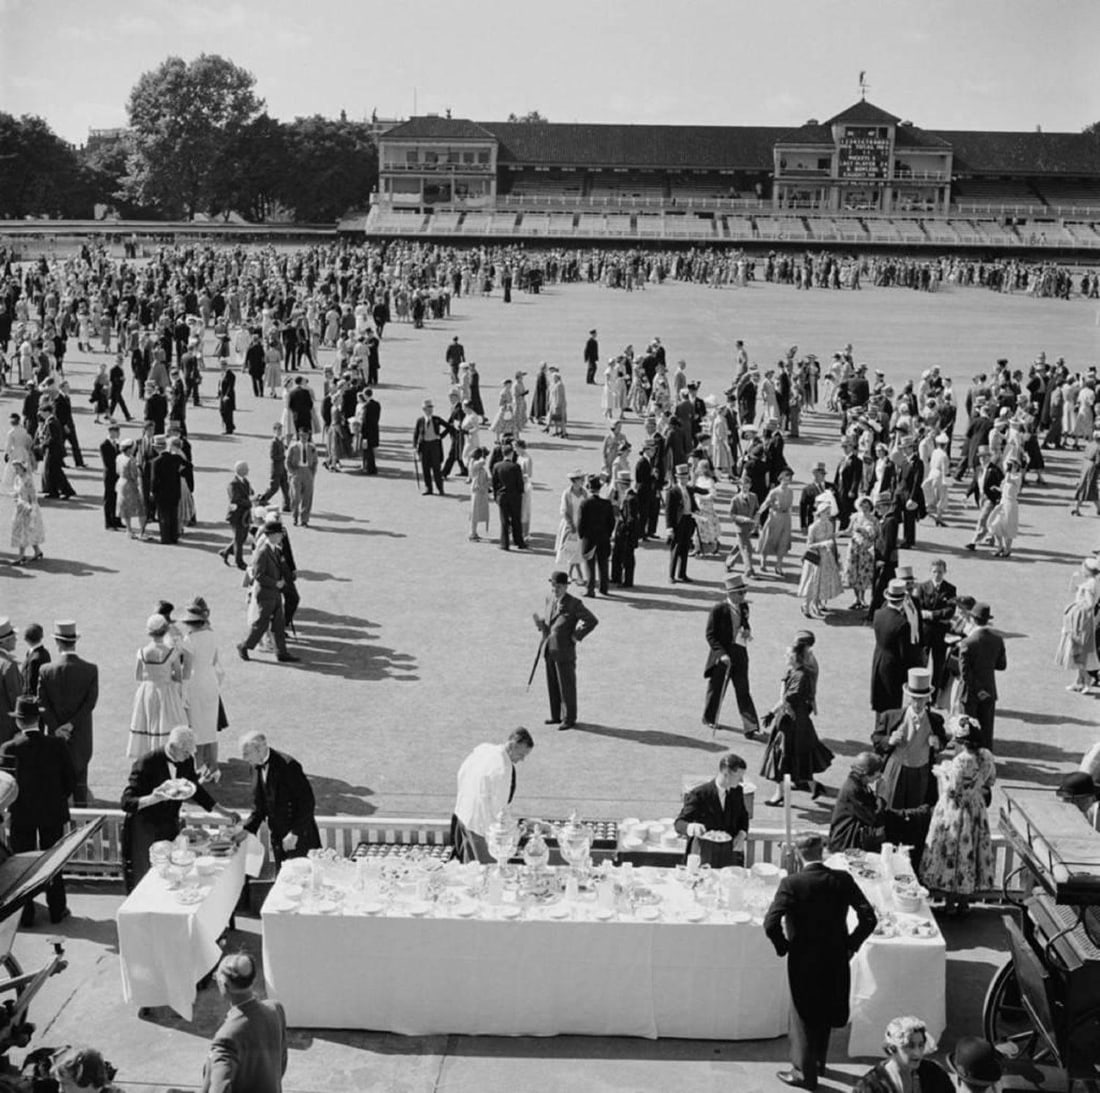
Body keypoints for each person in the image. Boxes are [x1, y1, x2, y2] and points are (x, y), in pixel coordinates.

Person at [763, 831, 877, 1091]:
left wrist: (785, 947)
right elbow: (869, 917)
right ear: (822, 850)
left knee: (803, 1017)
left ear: (798, 853)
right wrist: (850, 945)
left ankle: (804, 1073)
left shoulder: (792, 884)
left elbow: (770, 924)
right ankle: (818, 1062)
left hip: (803, 958)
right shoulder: (842, 879)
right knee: (825, 1011)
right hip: (835, 956)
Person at [120, 725, 240, 892]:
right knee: (147, 876)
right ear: (173, 747)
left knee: (173, 873)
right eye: (186, 753)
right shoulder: (146, 763)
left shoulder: (186, 760)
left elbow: (196, 791)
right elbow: (126, 802)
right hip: (145, 827)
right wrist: (154, 798)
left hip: (170, 824)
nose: (189, 757)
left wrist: (224, 812)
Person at [0, 695, 76, 925]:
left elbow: (5, 785)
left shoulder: (9, 748)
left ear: (19, 722)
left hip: (22, 815)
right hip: (52, 814)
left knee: (22, 866)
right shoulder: (57, 745)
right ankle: (57, 909)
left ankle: (26, 914)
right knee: (53, 862)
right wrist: (57, 800)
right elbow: (70, 781)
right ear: (38, 718)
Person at [920, 715, 996, 915]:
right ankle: (965, 903)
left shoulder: (961, 760)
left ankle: (950, 904)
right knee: (972, 853)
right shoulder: (987, 755)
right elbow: (991, 781)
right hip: (976, 807)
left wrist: (942, 773)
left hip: (956, 810)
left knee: (955, 853)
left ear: (962, 742)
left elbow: (952, 790)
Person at [761, 636, 833, 805]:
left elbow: (787, 699)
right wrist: (773, 712)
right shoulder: (793, 672)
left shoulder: (801, 677)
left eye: (787, 655)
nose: (785, 658)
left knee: (784, 756)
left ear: (794, 658)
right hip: (790, 719)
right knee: (792, 757)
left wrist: (773, 712)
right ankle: (813, 786)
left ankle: (780, 793)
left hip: (793, 722)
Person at [201, 951, 288, 1093]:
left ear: (224, 985)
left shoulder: (226, 1038)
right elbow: (280, 1065)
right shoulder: (275, 1009)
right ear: (253, 981)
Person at [36, 619, 98, 806]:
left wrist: (57, 728)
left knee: (56, 786)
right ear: (75, 641)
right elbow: (90, 703)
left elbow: (42, 703)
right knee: (80, 786)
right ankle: (84, 826)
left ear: (57, 642)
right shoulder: (90, 669)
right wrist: (71, 725)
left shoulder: (46, 670)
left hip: (55, 738)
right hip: (81, 736)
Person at [450, 728, 535, 863]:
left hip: (463, 815)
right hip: (481, 828)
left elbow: (461, 773)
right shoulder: (502, 770)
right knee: (486, 872)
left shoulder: (484, 748)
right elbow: (499, 811)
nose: (522, 759)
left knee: (469, 868)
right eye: (521, 754)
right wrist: (516, 831)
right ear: (512, 745)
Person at [239, 732, 320, 866]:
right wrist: (246, 831)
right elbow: (259, 806)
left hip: (299, 837)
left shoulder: (288, 766)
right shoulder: (254, 767)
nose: (243, 758)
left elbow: (307, 802)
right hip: (278, 837)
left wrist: (295, 833)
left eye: (247, 753)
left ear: (260, 749)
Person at [872, 669, 948, 810]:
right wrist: (889, 740)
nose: (917, 703)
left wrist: (937, 743)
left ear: (928, 699)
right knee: (891, 808)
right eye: (914, 698)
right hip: (896, 769)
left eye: (921, 699)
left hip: (922, 772)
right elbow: (876, 739)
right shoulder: (891, 716)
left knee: (916, 810)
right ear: (908, 698)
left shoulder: (935, 721)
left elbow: (943, 742)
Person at [533, 570, 598, 731]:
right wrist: (541, 625)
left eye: (559, 586)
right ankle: (556, 715)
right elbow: (550, 624)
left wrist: (577, 636)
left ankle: (569, 718)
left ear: (566, 587)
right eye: (553, 585)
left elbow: (591, 620)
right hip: (550, 648)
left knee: (566, 686)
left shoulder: (574, 603)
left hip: (564, 650)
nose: (555, 589)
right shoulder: (549, 599)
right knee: (553, 683)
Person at [701, 574, 761, 737]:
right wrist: (721, 654)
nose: (743, 596)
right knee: (717, 688)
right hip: (722, 655)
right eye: (740, 593)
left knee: (743, 689)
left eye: (744, 593)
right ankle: (710, 718)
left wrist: (747, 630)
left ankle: (751, 726)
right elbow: (710, 635)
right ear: (730, 594)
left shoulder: (744, 607)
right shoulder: (718, 609)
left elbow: (745, 623)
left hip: (740, 653)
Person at [237, 517, 298, 663]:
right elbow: (258, 575)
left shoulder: (276, 550)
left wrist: (285, 581)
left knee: (278, 623)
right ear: (271, 535)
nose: (281, 537)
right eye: (279, 534)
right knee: (262, 624)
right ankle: (244, 646)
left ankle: (281, 652)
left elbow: (280, 568)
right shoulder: (263, 552)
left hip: (275, 592)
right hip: (265, 593)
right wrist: (276, 583)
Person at [128, 613, 188, 758]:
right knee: (167, 724)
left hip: (146, 691)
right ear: (165, 630)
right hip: (165, 690)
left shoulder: (141, 652)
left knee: (147, 723)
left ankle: (150, 756)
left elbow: (138, 676)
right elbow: (178, 677)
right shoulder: (171, 652)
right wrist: (166, 675)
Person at [674, 752, 750, 866]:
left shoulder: (737, 791)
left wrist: (742, 833)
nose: (741, 781)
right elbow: (679, 823)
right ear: (726, 773)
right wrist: (690, 827)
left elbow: (743, 816)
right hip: (704, 854)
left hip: (729, 854)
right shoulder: (700, 794)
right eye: (739, 777)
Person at [853, 1015, 953, 1093]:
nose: (917, 1053)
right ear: (892, 1048)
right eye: (910, 1046)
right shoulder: (870, 1087)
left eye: (921, 1045)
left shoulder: (935, 1074)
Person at [180, 600, 225, 772]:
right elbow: (213, 660)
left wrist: (183, 690)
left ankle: (199, 768)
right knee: (210, 726)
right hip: (211, 681)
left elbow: (187, 668)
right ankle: (213, 766)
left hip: (196, 684)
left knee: (197, 729)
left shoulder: (189, 639)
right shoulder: (212, 634)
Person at [958, 603, 1006, 750]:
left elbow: (965, 673)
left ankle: (966, 763)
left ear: (972, 619)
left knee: (967, 731)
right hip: (989, 689)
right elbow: (1001, 665)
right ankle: (985, 763)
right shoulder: (997, 640)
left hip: (970, 694)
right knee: (986, 730)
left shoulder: (967, 643)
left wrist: (978, 689)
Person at [871, 580, 922, 714]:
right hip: (894, 668)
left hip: (879, 661)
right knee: (892, 706)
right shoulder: (902, 623)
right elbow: (905, 654)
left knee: (880, 703)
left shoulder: (878, 614)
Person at [913, 559, 958, 691]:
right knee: (922, 663)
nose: (937, 574)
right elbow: (918, 608)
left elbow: (950, 611)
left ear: (945, 572)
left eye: (940, 571)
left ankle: (935, 695)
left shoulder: (950, 589)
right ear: (930, 572)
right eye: (934, 571)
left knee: (939, 665)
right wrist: (927, 614)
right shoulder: (922, 587)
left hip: (940, 632)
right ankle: (920, 691)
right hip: (925, 631)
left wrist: (931, 615)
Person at [798, 493, 842, 618]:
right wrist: (823, 544)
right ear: (820, 513)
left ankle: (816, 605)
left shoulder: (829, 524)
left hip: (826, 557)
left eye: (829, 512)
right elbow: (809, 544)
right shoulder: (814, 526)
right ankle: (806, 606)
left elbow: (831, 539)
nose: (828, 515)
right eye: (826, 512)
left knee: (822, 582)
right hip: (815, 557)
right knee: (812, 583)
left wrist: (834, 541)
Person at [578, 474, 614, 595]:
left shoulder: (585, 503)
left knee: (589, 565)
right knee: (603, 564)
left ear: (589, 488)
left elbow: (581, 523)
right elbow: (611, 522)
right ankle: (604, 588)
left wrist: (581, 535)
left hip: (589, 538)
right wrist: (608, 534)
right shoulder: (607, 504)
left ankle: (590, 589)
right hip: (603, 538)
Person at [843, 495, 878, 610]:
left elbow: (876, 535)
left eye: (867, 506)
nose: (864, 508)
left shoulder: (873, 519)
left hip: (866, 549)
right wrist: (837, 534)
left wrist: (865, 533)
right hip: (854, 548)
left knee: (863, 572)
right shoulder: (854, 517)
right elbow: (849, 530)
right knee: (854, 572)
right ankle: (856, 598)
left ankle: (862, 598)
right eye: (862, 505)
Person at [757, 468, 794, 577]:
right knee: (768, 539)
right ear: (780, 479)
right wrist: (759, 512)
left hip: (786, 518)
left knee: (783, 541)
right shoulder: (775, 491)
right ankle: (763, 560)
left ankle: (778, 565)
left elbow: (790, 507)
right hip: (775, 517)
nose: (786, 482)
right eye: (784, 480)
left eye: (788, 480)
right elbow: (766, 503)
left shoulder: (791, 491)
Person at [665, 462, 697, 584]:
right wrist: (669, 527)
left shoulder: (689, 489)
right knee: (676, 548)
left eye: (685, 477)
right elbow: (669, 511)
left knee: (685, 547)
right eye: (681, 477)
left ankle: (682, 573)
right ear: (677, 478)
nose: (684, 479)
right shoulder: (673, 491)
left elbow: (692, 504)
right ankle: (671, 575)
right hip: (678, 522)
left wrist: (697, 512)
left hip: (688, 519)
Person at [413, 398, 453, 495]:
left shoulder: (436, 419)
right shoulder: (420, 420)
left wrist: (440, 436)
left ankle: (440, 488)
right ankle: (428, 488)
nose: (430, 410)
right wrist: (414, 447)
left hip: (434, 445)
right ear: (424, 409)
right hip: (424, 446)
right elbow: (416, 434)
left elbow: (449, 427)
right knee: (425, 468)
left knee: (436, 469)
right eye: (428, 408)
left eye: (431, 408)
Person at [9, 458, 44, 564]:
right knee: (25, 531)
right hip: (20, 507)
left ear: (22, 468)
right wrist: (15, 497)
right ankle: (37, 551)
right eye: (14, 468)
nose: (15, 471)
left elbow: (33, 496)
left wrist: (31, 508)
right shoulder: (17, 478)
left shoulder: (28, 479)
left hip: (28, 508)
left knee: (24, 531)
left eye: (17, 468)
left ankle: (21, 556)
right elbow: (16, 492)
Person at [491, 446, 527, 551]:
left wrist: (496, 496)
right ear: (511, 453)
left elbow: (494, 483)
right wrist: (521, 493)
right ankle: (519, 542)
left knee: (504, 520)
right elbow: (520, 483)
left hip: (502, 496)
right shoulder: (515, 467)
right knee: (516, 519)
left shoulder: (497, 466)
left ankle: (505, 544)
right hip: (515, 496)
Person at [286, 429, 317, 527]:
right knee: (296, 497)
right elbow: (287, 461)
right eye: (302, 435)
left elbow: (315, 461)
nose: (304, 437)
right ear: (299, 436)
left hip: (307, 471)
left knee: (308, 497)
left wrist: (312, 473)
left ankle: (304, 519)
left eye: (306, 435)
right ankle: (295, 516)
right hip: (297, 471)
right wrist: (292, 472)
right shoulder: (293, 447)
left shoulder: (312, 447)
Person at [256, 423, 290, 512]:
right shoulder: (274, 442)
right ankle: (262, 499)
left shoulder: (280, 440)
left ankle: (287, 505)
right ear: (274, 430)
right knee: (274, 487)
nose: (280, 431)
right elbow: (272, 456)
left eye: (280, 429)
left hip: (282, 467)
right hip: (276, 468)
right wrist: (282, 457)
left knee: (286, 487)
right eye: (278, 429)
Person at [100, 422, 124, 530]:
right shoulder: (104, 445)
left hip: (117, 475)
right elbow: (108, 463)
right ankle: (108, 522)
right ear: (111, 432)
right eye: (117, 432)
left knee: (117, 498)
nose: (118, 434)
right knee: (109, 498)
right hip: (110, 475)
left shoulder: (117, 445)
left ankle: (116, 520)